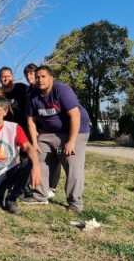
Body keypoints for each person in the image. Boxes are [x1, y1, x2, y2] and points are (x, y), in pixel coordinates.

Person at [24, 65, 90, 213]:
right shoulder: (33, 94)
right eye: (37, 77)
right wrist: (34, 143)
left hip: (75, 130)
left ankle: (75, 203)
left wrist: (71, 142)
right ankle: (40, 195)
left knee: (72, 165)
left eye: (43, 76)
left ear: (51, 78)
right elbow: (31, 120)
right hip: (48, 132)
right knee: (38, 156)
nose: (40, 79)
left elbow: (75, 115)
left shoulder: (62, 90)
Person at [23, 63, 59, 199]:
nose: (29, 76)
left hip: (49, 128)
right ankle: (40, 187)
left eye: (32, 73)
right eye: (27, 74)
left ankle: (52, 188)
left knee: (54, 159)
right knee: (39, 158)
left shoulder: (50, 89)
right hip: (35, 128)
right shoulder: (28, 91)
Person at [0, 67, 29, 131]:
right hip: (6, 129)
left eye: (8, 76)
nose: (6, 79)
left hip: (25, 127)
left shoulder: (22, 87)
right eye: (3, 77)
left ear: (12, 77)